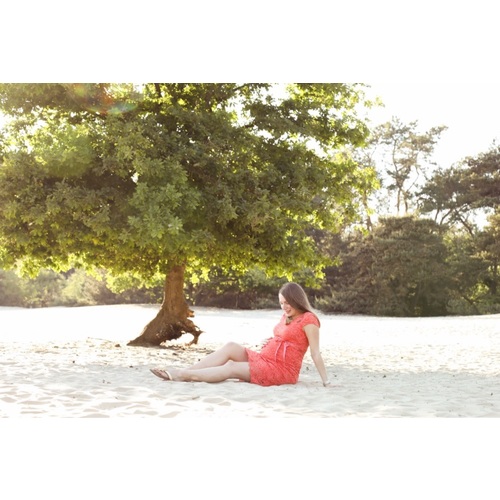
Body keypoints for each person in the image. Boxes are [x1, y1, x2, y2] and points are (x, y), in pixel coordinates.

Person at [150, 282, 331, 387]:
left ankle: (183, 375)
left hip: (281, 370)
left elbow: (315, 353)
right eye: (281, 303)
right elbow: (286, 336)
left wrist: (326, 382)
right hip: (265, 359)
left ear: (296, 300)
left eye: (287, 303)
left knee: (231, 367)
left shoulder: (309, 320)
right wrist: (272, 341)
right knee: (231, 347)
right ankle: (188, 371)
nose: (284, 307)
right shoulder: (287, 316)